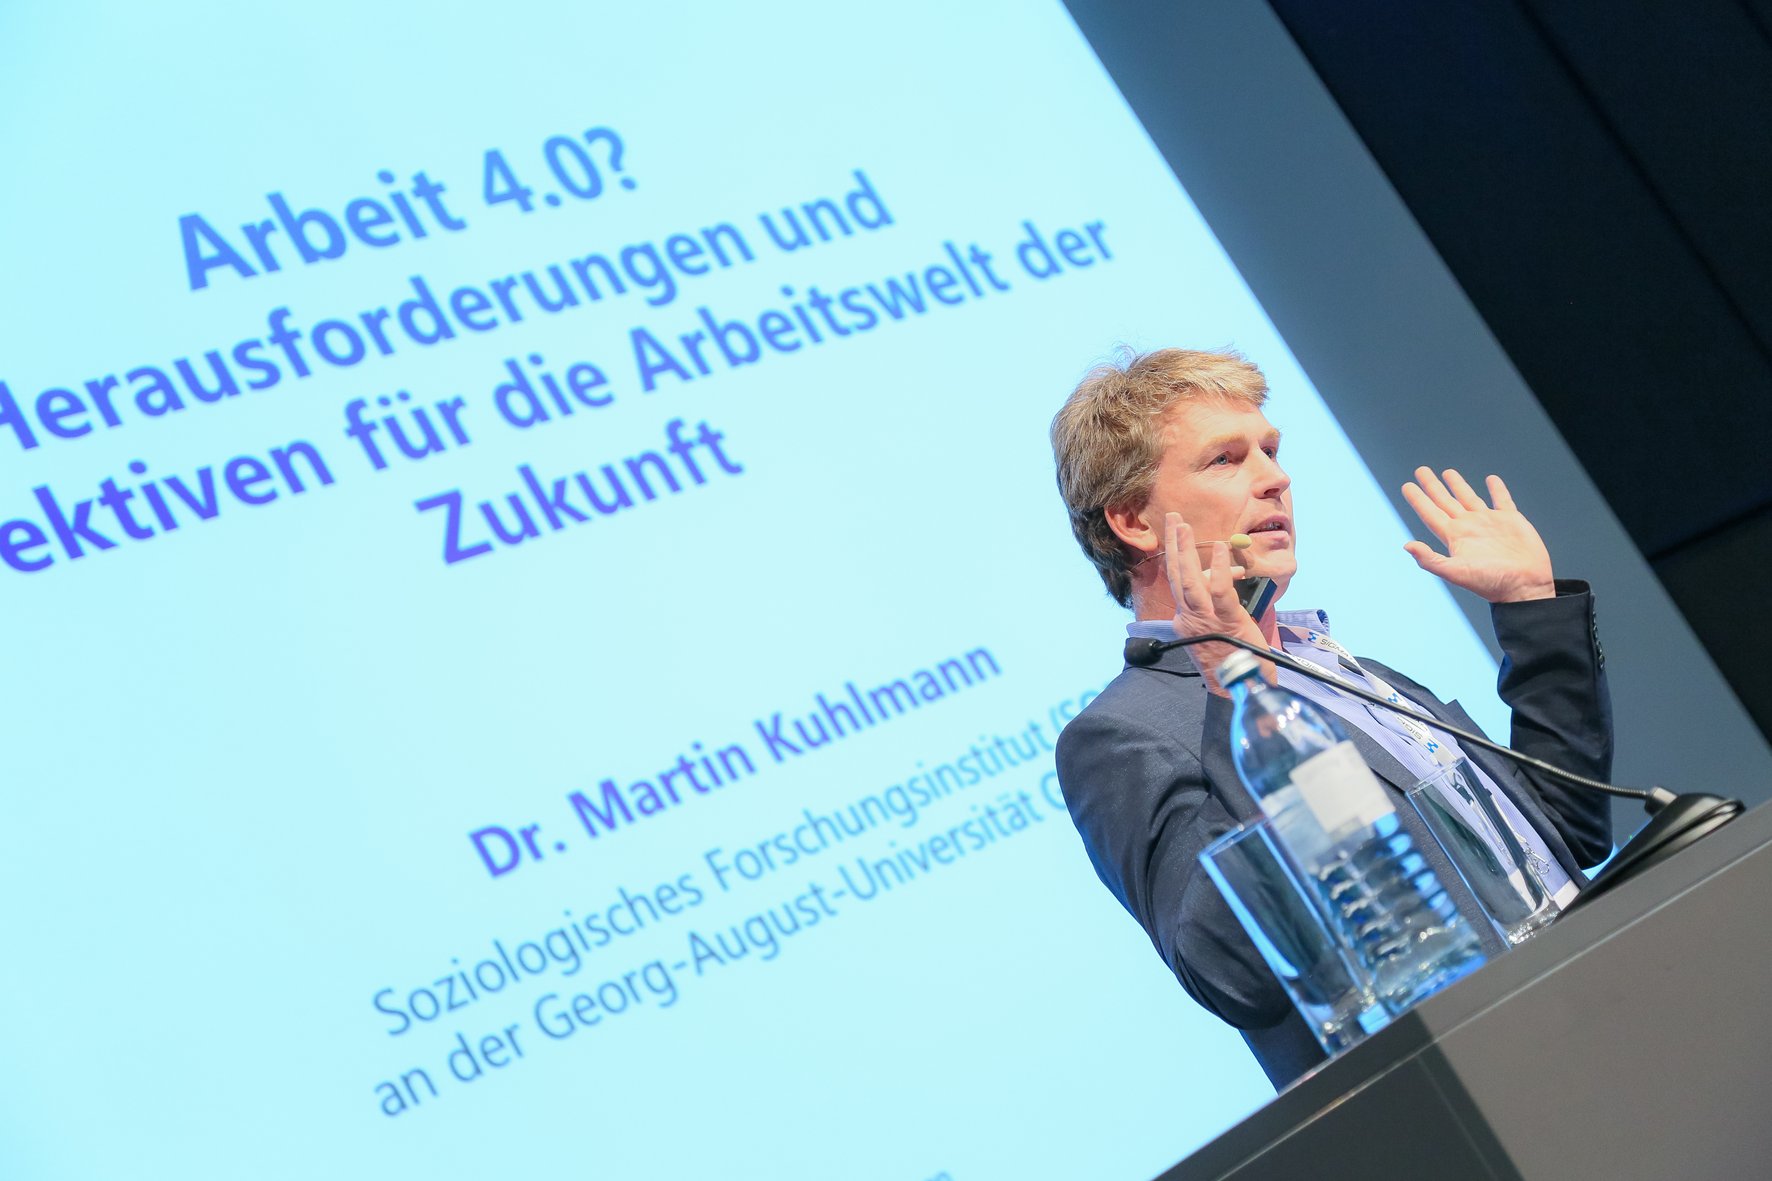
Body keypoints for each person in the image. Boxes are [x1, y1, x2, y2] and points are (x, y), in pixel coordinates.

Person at [1049, 348, 1613, 1088]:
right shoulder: (1123, 732)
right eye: (1225, 459)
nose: (1274, 477)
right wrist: (1246, 697)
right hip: (1471, 1083)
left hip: (1600, 1008)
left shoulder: (1348, 669)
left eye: (1272, 450)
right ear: (1133, 521)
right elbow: (1231, 973)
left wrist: (1530, 608)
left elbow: (1568, 832)